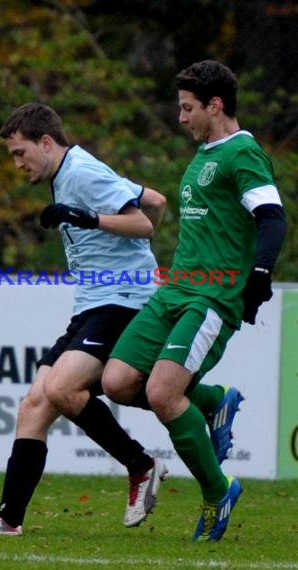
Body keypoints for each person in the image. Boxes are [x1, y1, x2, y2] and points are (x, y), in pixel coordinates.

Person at [0, 102, 168, 535]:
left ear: (46, 143)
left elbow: (145, 223)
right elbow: (156, 200)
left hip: (124, 299)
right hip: (93, 304)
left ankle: (142, 465)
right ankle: (9, 521)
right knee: (34, 405)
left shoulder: (80, 173)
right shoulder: (72, 172)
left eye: (20, 152)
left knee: (62, 387)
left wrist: (86, 217)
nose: (17, 163)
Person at [102, 60, 287, 542]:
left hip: (211, 296)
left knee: (163, 394)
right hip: (174, 291)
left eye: (188, 108)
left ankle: (217, 490)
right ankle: (212, 401)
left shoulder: (242, 153)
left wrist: (260, 274)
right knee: (117, 381)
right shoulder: (204, 152)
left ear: (215, 105)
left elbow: (272, 218)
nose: (181, 117)